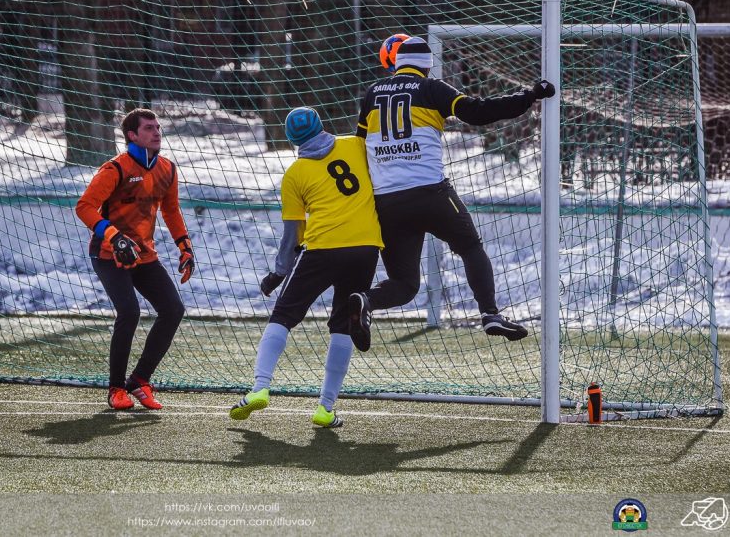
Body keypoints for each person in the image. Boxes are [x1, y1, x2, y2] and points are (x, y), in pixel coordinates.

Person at [349, 35, 556, 346]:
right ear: (428, 66)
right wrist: (529, 96)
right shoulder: (432, 88)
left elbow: (359, 144)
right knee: (471, 247)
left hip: (386, 202)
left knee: (404, 285)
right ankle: (489, 313)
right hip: (430, 193)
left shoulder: (372, 93)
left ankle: (365, 300)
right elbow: (478, 112)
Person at [229, 107, 383, 428]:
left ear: (290, 140)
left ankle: (260, 387)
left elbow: (292, 233)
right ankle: (325, 408)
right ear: (322, 124)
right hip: (366, 247)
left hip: (323, 249)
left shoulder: (294, 174)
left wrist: (278, 272)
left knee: (282, 316)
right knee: (342, 324)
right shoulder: (355, 145)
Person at [76, 108, 195, 410]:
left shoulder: (167, 168)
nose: (157, 132)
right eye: (149, 128)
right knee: (129, 312)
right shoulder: (115, 169)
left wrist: (185, 246)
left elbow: (171, 211)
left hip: (143, 254)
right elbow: (85, 207)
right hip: (107, 254)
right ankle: (116, 388)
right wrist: (114, 236)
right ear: (132, 135)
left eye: (158, 127)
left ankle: (139, 381)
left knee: (172, 310)